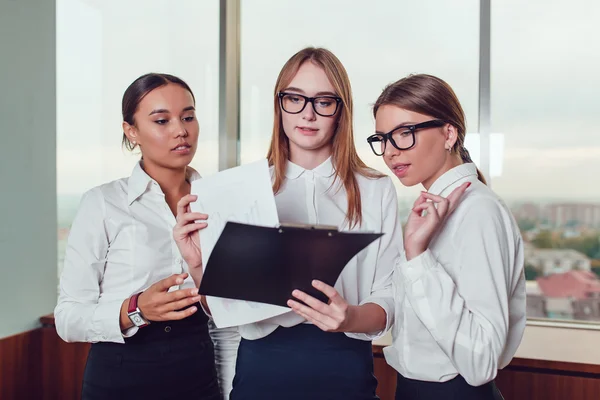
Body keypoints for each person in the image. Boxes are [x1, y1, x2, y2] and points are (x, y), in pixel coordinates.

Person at [174, 47, 403, 400]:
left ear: (341, 110)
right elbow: (221, 308)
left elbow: (389, 296)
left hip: (345, 367)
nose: (308, 114)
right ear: (279, 105)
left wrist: (349, 318)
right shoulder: (242, 189)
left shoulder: (375, 189)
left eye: (324, 101)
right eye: (294, 98)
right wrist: (198, 265)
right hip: (262, 369)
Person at [54, 73, 229, 399]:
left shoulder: (219, 203)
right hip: (122, 373)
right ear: (131, 132)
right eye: (162, 120)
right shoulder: (103, 203)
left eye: (188, 117)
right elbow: (68, 318)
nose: (181, 130)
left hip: (199, 371)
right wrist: (135, 309)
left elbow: (229, 315)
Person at [368, 73, 525, 400]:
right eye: (382, 138)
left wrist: (417, 255)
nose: (390, 152)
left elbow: (481, 361)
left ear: (449, 133)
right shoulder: (431, 210)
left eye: (404, 134)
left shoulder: (478, 211)